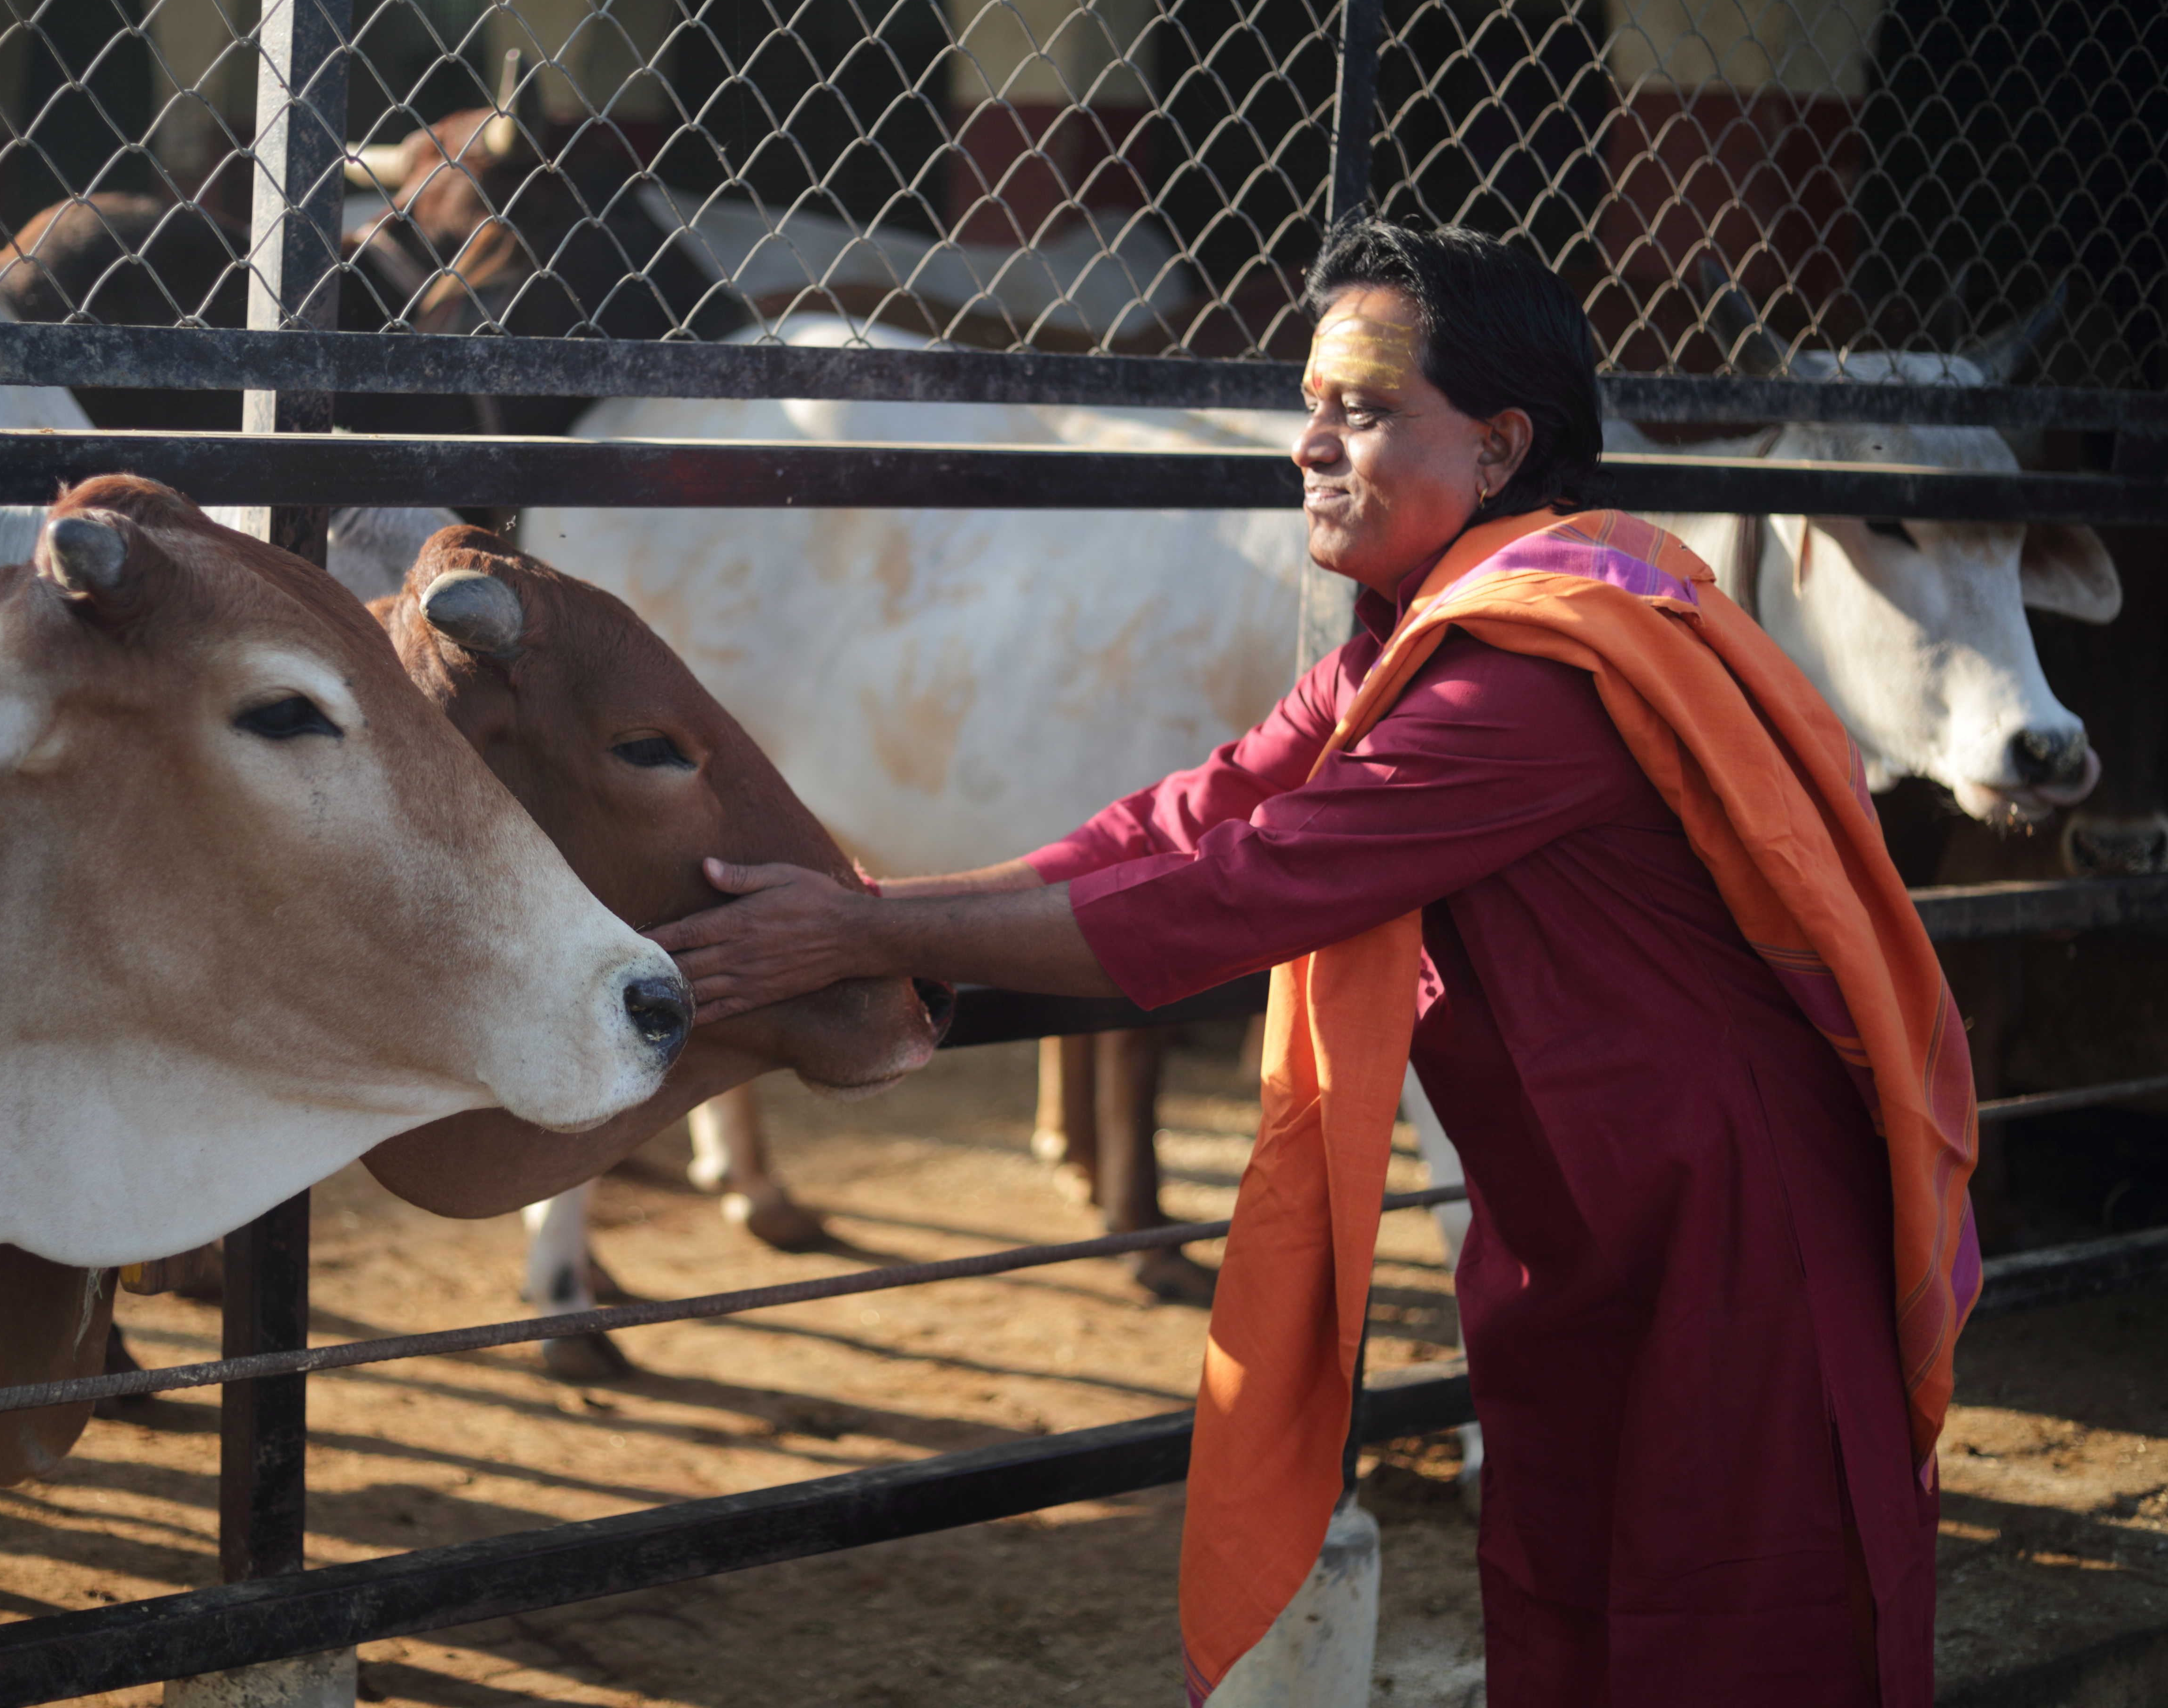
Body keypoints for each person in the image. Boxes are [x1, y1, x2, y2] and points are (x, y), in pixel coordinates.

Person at [652, 221, 1977, 1708]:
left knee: (1726, 1637)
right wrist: (872, 903)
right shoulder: (1418, 641)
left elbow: (1226, 893)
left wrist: (868, 934)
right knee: (1567, 1604)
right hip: (1580, 1221)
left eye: (1363, 409)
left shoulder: (1532, 674)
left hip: (1730, 1246)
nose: (1309, 446)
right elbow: (1186, 818)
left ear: (1499, 446)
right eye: (1312, 406)